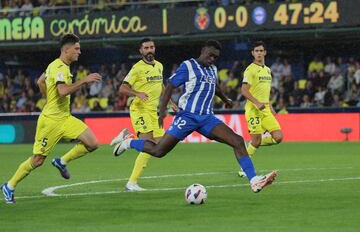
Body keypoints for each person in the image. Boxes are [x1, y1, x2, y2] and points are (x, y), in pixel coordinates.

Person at [111, 40, 277, 193]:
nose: (212, 59)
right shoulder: (188, 66)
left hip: (207, 118)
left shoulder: (212, 69)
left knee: (238, 141)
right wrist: (163, 110)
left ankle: (254, 180)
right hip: (188, 117)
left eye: (215, 57)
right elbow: (170, 85)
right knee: (158, 150)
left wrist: (225, 99)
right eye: (210, 55)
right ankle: (129, 143)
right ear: (203, 51)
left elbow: (215, 86)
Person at [1, 33, 102, 204]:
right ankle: (9, 186)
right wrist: (84, 81)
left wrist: (49, 98)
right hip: (51, 122)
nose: (80, 52)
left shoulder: (57, 66)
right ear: (66, 50)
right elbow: (62, 91)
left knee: (92, 143)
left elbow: (40, 81)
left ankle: (61, 162)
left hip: (65, 118)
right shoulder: (59, 68)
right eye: (76, 49)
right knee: (38, 160)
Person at [111, 38, 176, 191]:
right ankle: (131, 182)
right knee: (148, 145)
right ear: (141, 51)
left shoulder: (159, 66)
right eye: (146, 48)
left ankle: (128, 137)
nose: (149, 50)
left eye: (151, 47)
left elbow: (160, 85)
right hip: (140, 109)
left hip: (154, 112)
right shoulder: (137, 68)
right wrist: (136, 93)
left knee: (159, 147)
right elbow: (122, 88)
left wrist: (169, 102)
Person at [238, 41, 283, 177]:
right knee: (256, 140)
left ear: (265, 53)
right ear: (253, 53)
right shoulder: (250, 69)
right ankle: (243, 169)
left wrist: (271, 106)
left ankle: (252, 143)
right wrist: (257, 103)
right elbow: (244, 90)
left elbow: (265, 90)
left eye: (261, 50)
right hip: (253, 109)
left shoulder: (268, 70)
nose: (259, 53)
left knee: (278, 137)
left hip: (265, 109)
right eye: (256, 51)